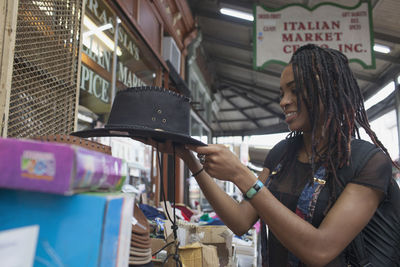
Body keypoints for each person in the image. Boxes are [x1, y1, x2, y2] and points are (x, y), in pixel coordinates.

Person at [144, 44, 399, 266]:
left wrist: (243, 176)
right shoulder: (282, 154)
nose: (284, 101)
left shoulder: (369, 162)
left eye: (295, 90)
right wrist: (188, 157)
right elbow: (241, 220)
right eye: (281, 93)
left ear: (328, 89)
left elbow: (320, 250)